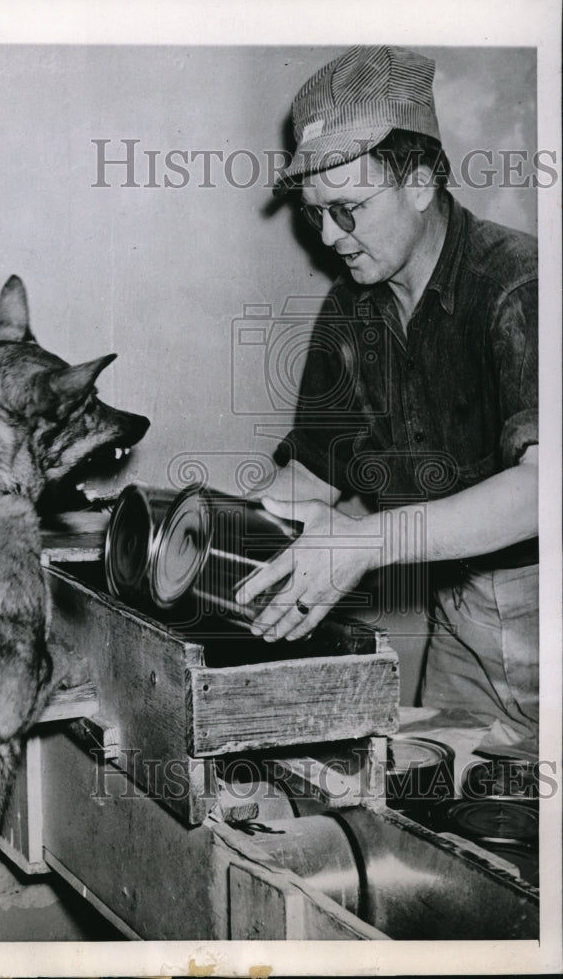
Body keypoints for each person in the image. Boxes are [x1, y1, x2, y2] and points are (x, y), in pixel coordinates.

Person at [237, 45, 539, 741]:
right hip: (461, 618)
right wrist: (207, 552)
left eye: (346, 209)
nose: (328, 238)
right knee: (449, 814)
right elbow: (306, 484)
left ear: (420, 183)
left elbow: (540, 490)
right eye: (313, 214)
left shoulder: (517, 286)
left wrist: (366, 542)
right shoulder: (351, 309)